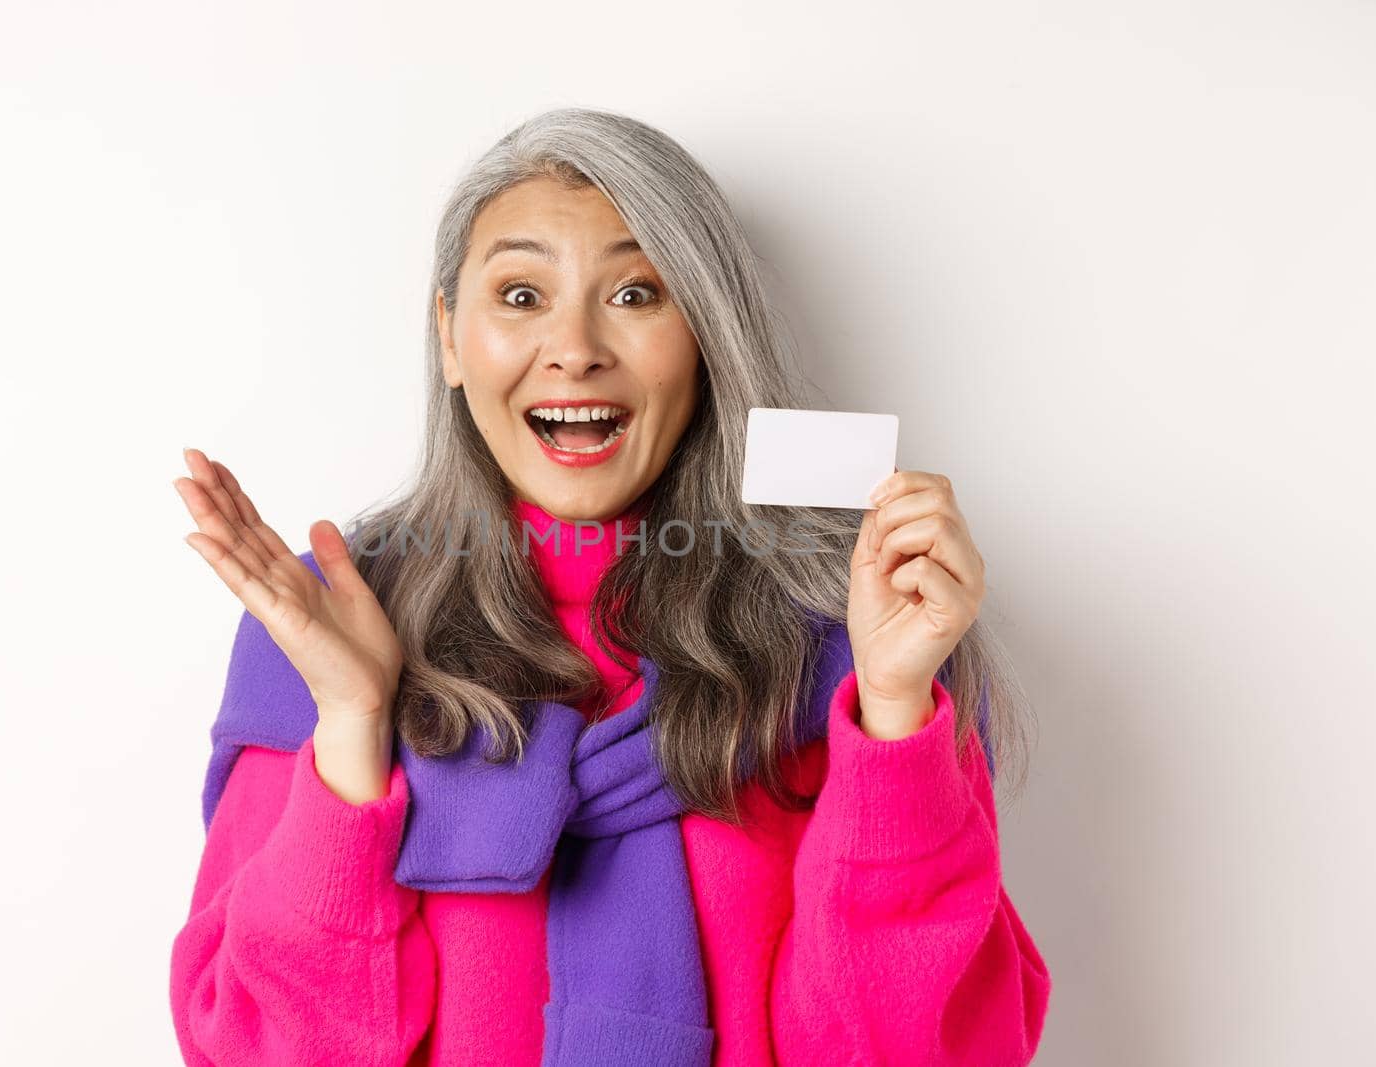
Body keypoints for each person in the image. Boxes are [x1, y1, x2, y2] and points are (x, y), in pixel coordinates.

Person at [168, 106, 1051, 1066]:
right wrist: (351, 722)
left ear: (706, 338)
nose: (576, 346)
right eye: (518, 296)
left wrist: (891, 712)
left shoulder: (850, 636)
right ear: (451, 338)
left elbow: (923, 1050)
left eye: (636, 294)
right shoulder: (325, 626)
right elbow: (257, 1050)